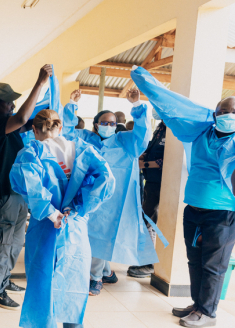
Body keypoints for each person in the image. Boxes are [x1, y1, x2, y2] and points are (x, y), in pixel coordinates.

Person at [132, 66, 235, 328]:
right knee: (194, 259)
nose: (228, 115)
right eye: (223, 111)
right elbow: (173, 108)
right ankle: (197, 304)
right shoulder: (201, 133)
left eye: (233, 112)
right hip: (194, 208)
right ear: (214, 114)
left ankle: (208, 313)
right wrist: (149, 87)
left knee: (214, 264)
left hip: (223, 213)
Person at [10, 109, 115, 328]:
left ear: (35, 130)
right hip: (75, 228)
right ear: (60, 127)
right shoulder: (83, 150)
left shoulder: (31, 153)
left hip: (45, 230)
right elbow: (107, 180)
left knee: (42, 291)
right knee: (72, 289)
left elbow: (29, 187)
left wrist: (51, 212)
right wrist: (78, 207)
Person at [62, 88, 165, 297]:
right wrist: (72, 105)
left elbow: (143, 134)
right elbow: (66, 131)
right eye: (104, 122)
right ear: (96, 124)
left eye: (112, 123)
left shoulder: (125, 142)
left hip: (115, 200)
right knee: (93, 235)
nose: (109, 126)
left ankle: (95, 278)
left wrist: (136, 105)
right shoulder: (85, 138)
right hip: (88, 197)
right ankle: (107, 272)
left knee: (100, 235)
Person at [0, 64, 54, 309]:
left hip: (18, 193)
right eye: (8, 102)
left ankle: (6, 279)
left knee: (16, 241)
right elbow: (22, 118)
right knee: (2, 242)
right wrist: (40, 83)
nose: (12, 105)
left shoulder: (8, 127)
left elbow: (29, 120)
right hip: (1, 193)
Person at [127, 110, 166, 278]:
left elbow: (170, 159)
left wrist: (144, 164)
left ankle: (149, 263)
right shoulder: (161, 128)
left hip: (162, 184)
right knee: (147, 220)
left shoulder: (173, 130)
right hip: (152, 182)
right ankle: (145, 261)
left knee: (149, 221)